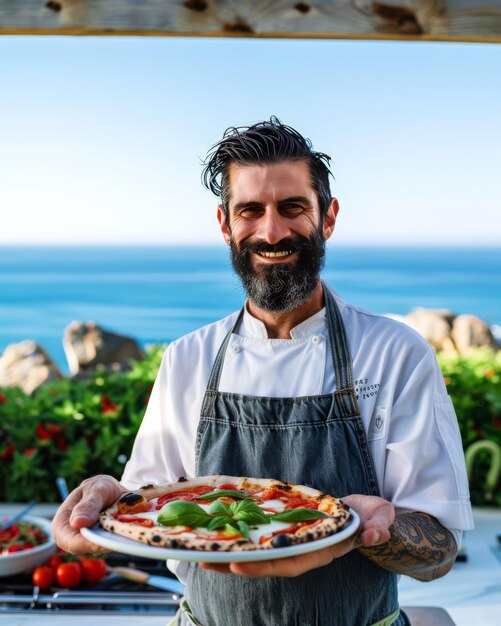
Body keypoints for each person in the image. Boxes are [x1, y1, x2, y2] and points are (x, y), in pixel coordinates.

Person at [53, 118, 473, 626]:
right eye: (250, 210)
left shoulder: (395, 353)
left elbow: (439, 550)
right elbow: (143, 506)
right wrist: (102, 497)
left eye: (292, 207)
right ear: (225, 225)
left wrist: (375, 526)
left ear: (328, 217)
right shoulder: (188, 359)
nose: (271, 232)